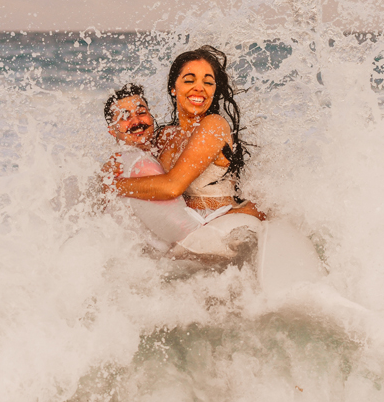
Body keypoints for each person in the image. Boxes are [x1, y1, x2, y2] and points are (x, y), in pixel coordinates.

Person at [102, 82, 260, 260]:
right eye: (125, 117)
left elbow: (173, 191)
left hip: (201, 232)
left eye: (141, 112)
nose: (137, 121)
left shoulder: (166, 142)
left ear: (151, 116)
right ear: (112, 130)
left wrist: (114, 185)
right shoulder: (127, 164)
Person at [111, 46, 264, 221]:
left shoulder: (213, 125)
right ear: (173, 88)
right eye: (190, 80)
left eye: (208, 82)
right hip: (185, 226)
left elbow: (172, 187)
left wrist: (114, 185)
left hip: (222, 224)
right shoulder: (166, 135)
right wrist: (114, 165)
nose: (199, 88)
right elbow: (142, 166)